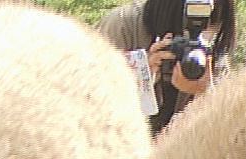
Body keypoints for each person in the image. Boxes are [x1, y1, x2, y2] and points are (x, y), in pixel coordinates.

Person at [100, 0, 237, 136]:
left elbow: (227, 135)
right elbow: (95, 109)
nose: (201, 35)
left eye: (211, 23)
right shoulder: (124, 26)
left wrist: (205, 96)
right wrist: (141, 77)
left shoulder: (210, 53)